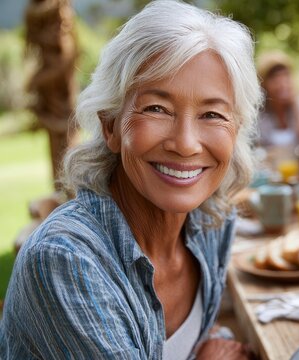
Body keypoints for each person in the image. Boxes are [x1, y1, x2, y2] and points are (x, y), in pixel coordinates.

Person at [0, 1, 261, 359]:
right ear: (110, 126)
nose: (185, 144)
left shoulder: (213, 219)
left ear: (236, 131)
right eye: (157, 108)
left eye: (212, 114)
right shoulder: (66, 261)